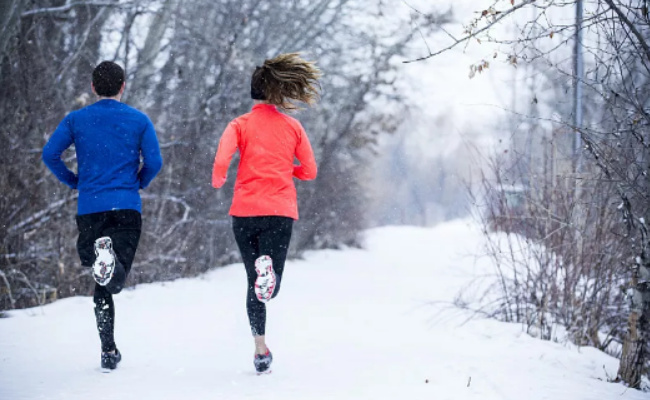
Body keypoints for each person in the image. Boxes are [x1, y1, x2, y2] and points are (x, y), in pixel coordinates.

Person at [42, 61, 163, 371]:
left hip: (91, 207)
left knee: (101, 278)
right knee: (113, 278)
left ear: (93, 87)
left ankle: (108, 351)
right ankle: (108, 265)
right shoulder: (138, 120)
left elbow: (49, 154)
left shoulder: (76, 120)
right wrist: (140, 181)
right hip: (125, 206)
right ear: (123, 86)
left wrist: (73, 181)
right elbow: (154, 161)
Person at [212, 53, 320, 374]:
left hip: (244, 211)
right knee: (269, 283)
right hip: (279, 210)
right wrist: (291, 171)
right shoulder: (292, 126)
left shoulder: (240, 124)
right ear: (278, 91)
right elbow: (310, 171)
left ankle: (261, 349)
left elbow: (221, 160)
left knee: (254, 282)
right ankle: (267, 270)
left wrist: (218, 178)